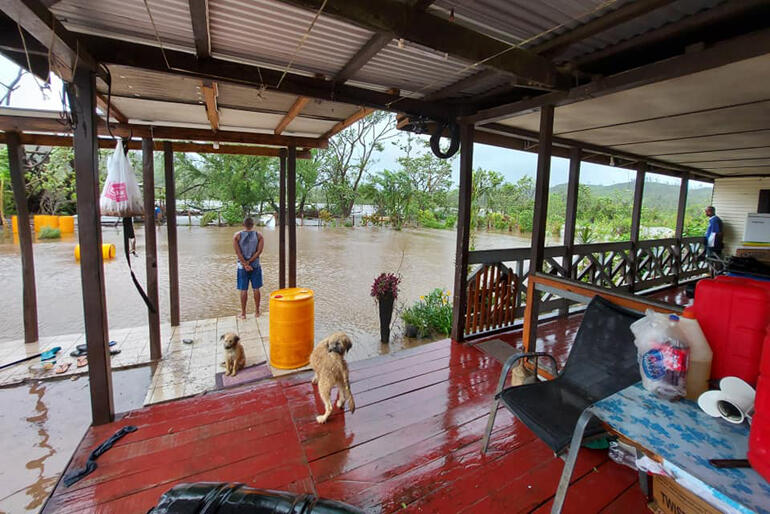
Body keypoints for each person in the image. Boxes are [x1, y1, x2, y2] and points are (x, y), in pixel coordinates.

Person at [233, 217, 264, 318]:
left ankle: (243, 313)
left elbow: (238, 252)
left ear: (243, 225)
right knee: (256, 289)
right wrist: (250, 262)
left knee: (243, 289)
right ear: (253, 225)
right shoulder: (259, 235)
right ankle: (257, 312)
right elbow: (259, 251)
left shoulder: (237, 236)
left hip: (242, 267)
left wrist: (245, 264)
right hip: (255, 265)